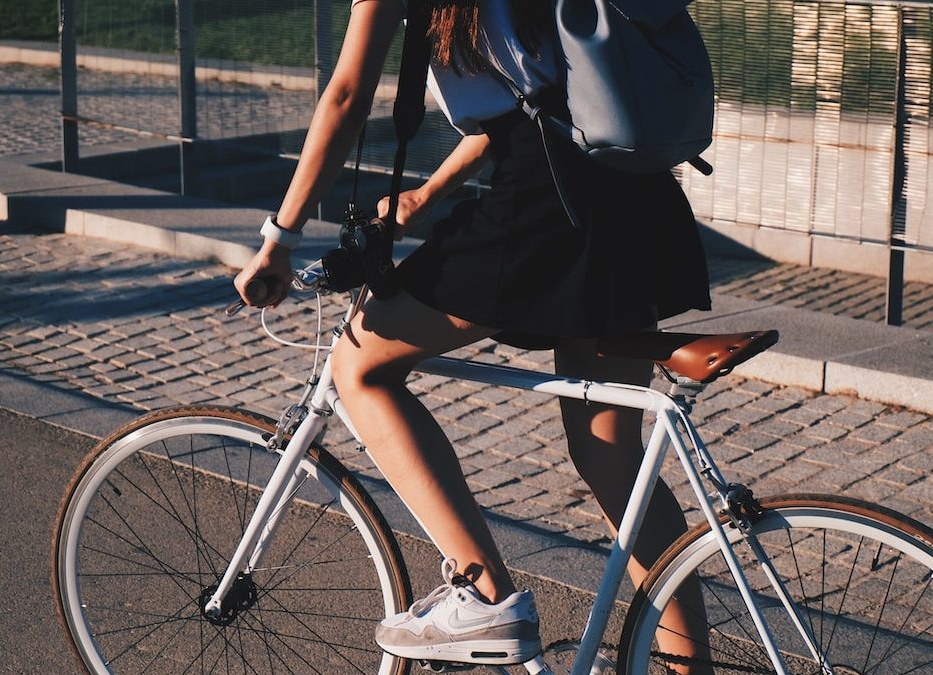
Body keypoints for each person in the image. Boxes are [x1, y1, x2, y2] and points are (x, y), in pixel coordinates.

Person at [235, 0, 712, 670]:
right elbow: (533, 99)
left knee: (359, 366)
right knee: (613, 458)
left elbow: (346, 94)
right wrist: (425, 196)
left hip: (549, 202)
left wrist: (278, 239)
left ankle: (481, 593)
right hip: (628, 189)